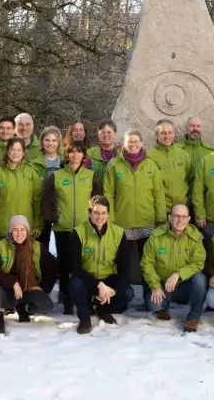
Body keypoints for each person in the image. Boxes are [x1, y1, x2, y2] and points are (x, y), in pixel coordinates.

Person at [41, 140, 100, 314]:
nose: (75, 156)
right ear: (66, 155)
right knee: (65, 266)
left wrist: (94, 221)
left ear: (84, 155)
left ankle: (87, 298)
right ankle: (67, 299)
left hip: (86, 229)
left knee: (86, 264)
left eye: (78, 152)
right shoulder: (57, 176)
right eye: (71, 152)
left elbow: (98, 200)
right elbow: (46, 201)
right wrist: (54, 218)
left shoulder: (91, 175)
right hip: (63, 229)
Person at [102, 129, 163, 288]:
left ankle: (149, 295)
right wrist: (111, 220)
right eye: (130, 142)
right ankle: (122, 295)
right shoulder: (114, 165)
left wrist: (161, 219)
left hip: (147, 222)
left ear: (142, 143)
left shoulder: (151, 165)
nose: (133, 144)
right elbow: (108, 195)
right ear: (124, 144)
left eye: (136, 141)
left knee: (148, 262)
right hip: (123, 224)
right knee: (123, 263)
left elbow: (158, 194)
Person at [69, 196, 135, 334]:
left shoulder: (118, 233)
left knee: (128, 293)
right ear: (89, 213)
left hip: (108, 278)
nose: (100, 217)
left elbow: (125, 267)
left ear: (108, 214)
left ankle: (103, 309)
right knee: (75, 284)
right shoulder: (78, 232)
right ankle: (85, 318)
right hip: (87, 278)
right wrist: (98, 285)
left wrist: (113, 291)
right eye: (96, 212)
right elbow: (75, 267)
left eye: (104, 213)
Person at [0, 215, 58, 335]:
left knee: (46, 305)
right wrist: (12, 282)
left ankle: (25, 308)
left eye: (22, 229)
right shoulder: (0, 247)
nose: (19, 234)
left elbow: (53, 268)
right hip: (7, 292)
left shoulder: (37, 247)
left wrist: (42, 287)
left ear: (27, 231)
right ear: (10, 231)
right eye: (15, 230)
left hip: (28, 290)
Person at [141, 204, 208, 332]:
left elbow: (198, 263)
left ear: (188, 219)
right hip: (163, 286)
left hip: (185, 286)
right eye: (176, 216)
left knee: (200, 279)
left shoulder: (195, 237)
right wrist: (155, 286)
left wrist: (178, 274)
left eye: (183, 217)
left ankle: (193, 318)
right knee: (153, 305)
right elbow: (147, 263)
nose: (180, 220)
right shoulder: (156, 236)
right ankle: (162, 309)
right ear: (169, 217)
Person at [0, 137, 44, 239]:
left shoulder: (32, 172)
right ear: (7, 151)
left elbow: (37, 200)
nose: (15, 153)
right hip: (4, 228)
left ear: (24, 152)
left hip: (26, 229)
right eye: (12, 149)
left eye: (18, 150)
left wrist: (38, 223)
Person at [149, 119, 193, 217]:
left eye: (170, 132)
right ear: (157, 135)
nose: (167, 136)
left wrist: (188, 200)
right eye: (163, 133)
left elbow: (191, 180)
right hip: (160, 210)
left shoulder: (183, 155)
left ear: (174, 134)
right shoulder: (149, 156)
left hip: (183, 210)